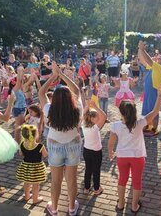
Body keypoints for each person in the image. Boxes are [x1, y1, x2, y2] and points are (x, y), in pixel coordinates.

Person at [108, 85, 161, 214]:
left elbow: (111, 143)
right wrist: (160, 95)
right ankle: (134, 206)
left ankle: (121, 203)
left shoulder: (115, 125)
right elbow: (155, 112)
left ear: (121, 112)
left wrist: (111, 152)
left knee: (122, 179)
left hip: (122, 157)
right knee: (137, 181)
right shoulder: (140, 123)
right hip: (138, 157)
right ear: (134, 111)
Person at [39, 61, 82, 216]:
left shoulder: (49, 109)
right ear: (70, 98)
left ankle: (55, 209)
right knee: (71, 180)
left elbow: (41, 93)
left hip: (55, 146)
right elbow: (76, 89)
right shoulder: (77, 109)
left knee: (56, 181)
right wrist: (62, 75)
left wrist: (53, 76)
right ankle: (71, 208)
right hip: (73, 145)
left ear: (55, 99)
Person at [137, 41, 161, 136]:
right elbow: (142, 60)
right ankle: (148, 127)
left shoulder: (160, 68)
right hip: (149, 91)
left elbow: (149, 60)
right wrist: (139, 48)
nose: (157, 58)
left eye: (159, 58)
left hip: (154, 92)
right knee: (147, 110)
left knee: (154, 111)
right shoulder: (154, 68)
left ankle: (154, 129)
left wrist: (142, 49)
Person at [16, 124, 47, 204]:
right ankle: (35, 199)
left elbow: (21, 154)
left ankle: (26, 196)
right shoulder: (40, 146)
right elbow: (45, 155)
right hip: (37, 168)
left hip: (26, 166)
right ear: (36, 134)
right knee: (36, 184)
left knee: (26, 182)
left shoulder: (22, 144)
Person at [82, 100, 106, 195]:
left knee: (88, 169)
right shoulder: (95, 128)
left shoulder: (83, 125)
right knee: (96, 170)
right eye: (96, 117)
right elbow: (104, 116)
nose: (99, 117)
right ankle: (97, 188)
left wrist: (88, 106)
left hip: (86, 150)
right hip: (96, 152)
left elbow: (84, 114)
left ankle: (86, 188)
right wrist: (95, 106)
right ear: (91, 118)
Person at [9, 66, 27, 143]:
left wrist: (22, 72)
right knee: (18, 127)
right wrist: (19, 71)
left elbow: (21, 81)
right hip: (18, 109)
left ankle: (19, 141)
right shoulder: (15, 89)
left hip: (22, 108)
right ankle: (17, 143)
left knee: (21, 126)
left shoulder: (20, 89)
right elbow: (19, 81)